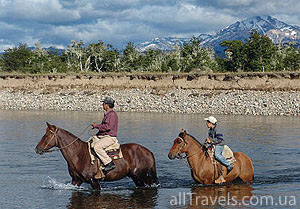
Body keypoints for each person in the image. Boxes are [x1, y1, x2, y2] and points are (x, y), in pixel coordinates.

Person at [91, 97, 118, 175]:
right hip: (104, 136)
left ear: (107, 105)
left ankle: (109, 163)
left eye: (103, 104)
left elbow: (108, 127)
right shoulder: (108, 114)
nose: (102, 105)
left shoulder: (112, 115)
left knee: (97, 147)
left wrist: (96, 126)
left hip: (110, 137)